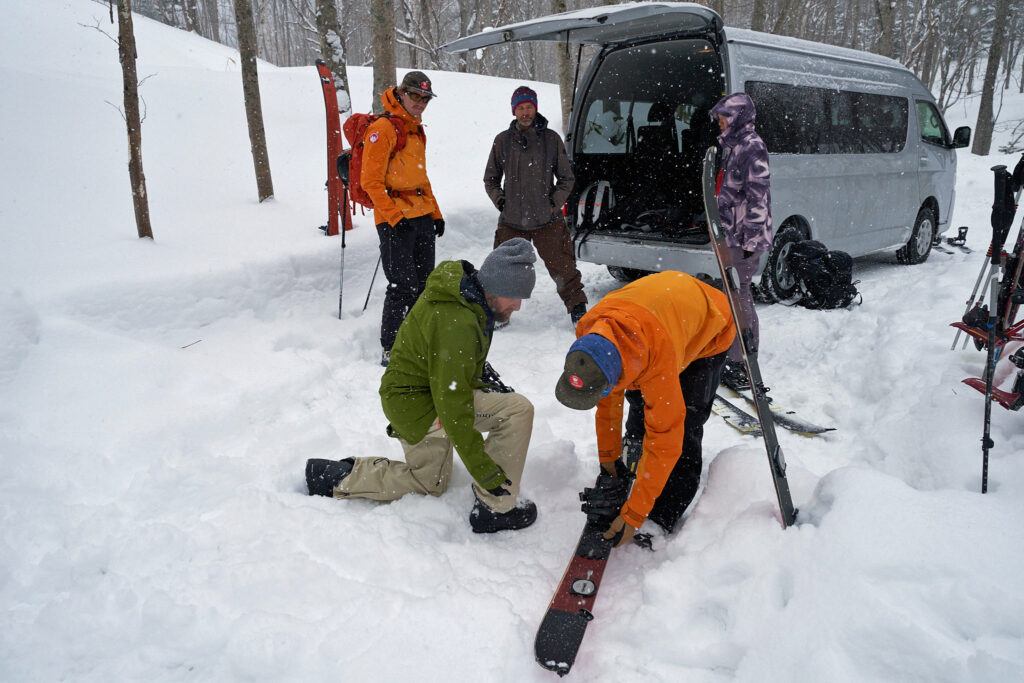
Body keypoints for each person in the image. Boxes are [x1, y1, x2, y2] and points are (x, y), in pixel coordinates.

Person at [306, 238, 540, 533]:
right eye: (514, 296)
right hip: (417, 404)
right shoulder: (458, 322)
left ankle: (491, 501)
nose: (518, 305)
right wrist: (484, 470)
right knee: (432, 482)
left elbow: (450, 373)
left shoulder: (467, 297)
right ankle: (496, 507)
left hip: (425, 392)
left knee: (439, 476)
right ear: (494, 287)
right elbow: (452, 405)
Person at [554, 271, 736, 545]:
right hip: (663, 311)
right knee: (641, 401)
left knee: (683, 425)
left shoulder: (656, 360)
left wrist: (635, 515)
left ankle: (663, 513)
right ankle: (639, 459)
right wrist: (608, 457)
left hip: (709, 327)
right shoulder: (592, 335)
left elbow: (666, 440)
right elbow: (608, 401)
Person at [484, 85, 588, 326]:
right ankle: (496, 314)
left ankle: (578, 309)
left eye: (529, 106)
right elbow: (490, 179)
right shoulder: (502, 141)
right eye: (520, 107)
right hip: (511, 221)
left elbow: (566, 178)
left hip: (547, 220)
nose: (525, 112)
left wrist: (553, 205)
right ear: (514, 111)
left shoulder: (551, 139)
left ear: (535, 108)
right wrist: (501, 201)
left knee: (564, 268)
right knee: (501, 270)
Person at [362, 71, 445, 367]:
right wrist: (395, 218)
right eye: (415, 96)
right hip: (394, 219)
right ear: (401, 93)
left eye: (425, 98)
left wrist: (435, 213)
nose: (420, 103)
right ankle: (392, 347)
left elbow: (421, 177)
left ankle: (417, 340)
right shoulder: (383, 128)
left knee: (424, 285)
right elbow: (370, 182)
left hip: (421, 215)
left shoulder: (417, 130)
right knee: (402, 285)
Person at [709, 92, 773, 389]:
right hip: (732, 234)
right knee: (731, 294)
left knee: (740, 295)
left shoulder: (752, 147)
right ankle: (734, 355)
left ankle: (743, 362)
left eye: (723, 117)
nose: (719, 122)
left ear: (736, 117)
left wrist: (749, 241)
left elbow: (758, 197)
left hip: (745, 237)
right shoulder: (735, 145)